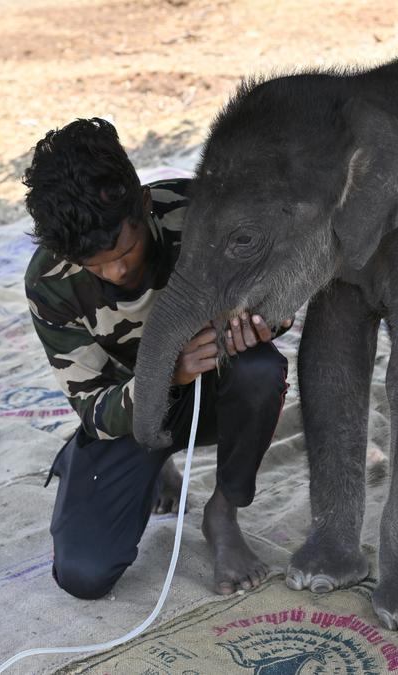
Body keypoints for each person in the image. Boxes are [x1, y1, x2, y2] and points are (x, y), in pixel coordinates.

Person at [22, 118, 293, 600]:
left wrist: (263, 322)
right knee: (84, 575)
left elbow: (279, 295)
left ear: (143, 204)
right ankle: (138, 462)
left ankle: (223, 514)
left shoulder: (204, 217)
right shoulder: (51, 279)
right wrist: (168, 372)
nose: (119, 269)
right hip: (129, 414)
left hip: (215, 390)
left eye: (125, 248)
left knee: (261, 368)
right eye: (97, 264)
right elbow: (96, 408)